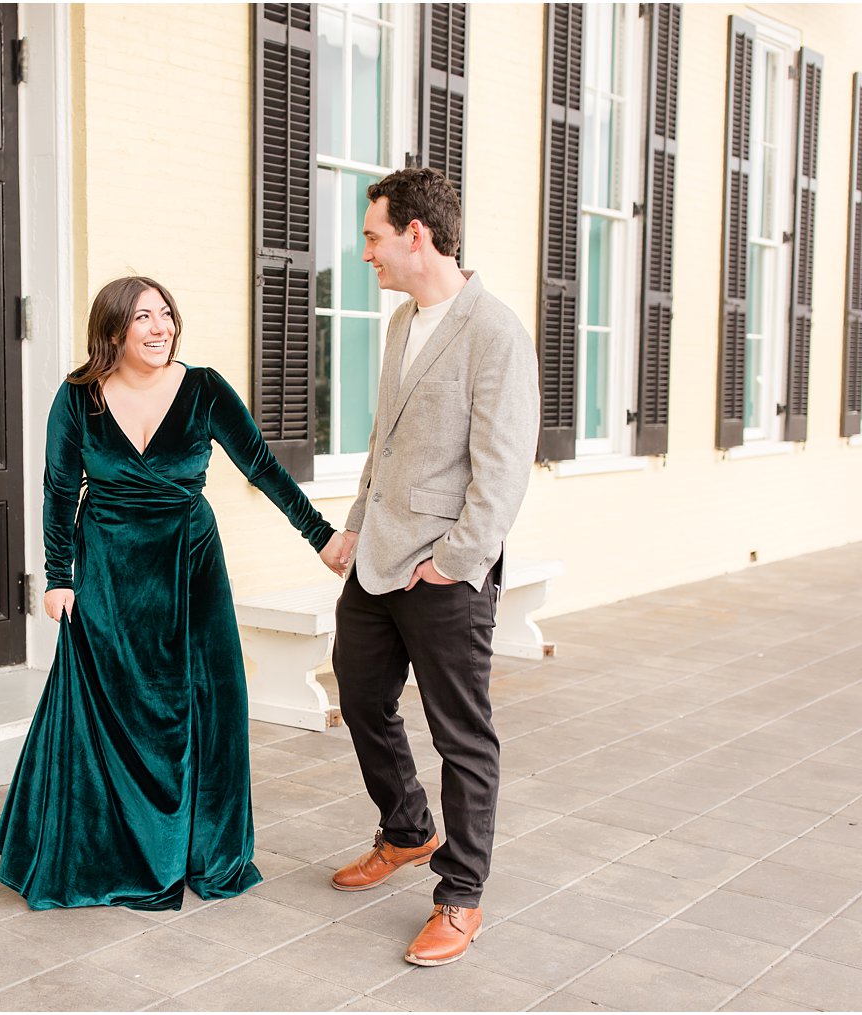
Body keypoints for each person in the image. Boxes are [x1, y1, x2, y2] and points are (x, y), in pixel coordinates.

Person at [0, 276, 347, 911]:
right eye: (144, 318)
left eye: (167, 316)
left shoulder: (204, 389)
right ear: (113, 331)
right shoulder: (79, 398)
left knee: (209, 700)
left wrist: (319, 535)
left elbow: (261, 464)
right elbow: (56, 487)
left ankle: (200, 848)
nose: (161, 329)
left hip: (190, 564)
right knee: (113, 708)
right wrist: (59, 576)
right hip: (108, 567)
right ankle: (115, 850)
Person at [323, 167, 539, 966]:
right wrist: (353, 525)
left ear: (417, 234)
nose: (365, 253)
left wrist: (454, 564)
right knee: (359, 691)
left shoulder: (496, 333)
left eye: (374, 236)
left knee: (463, 735)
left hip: (445, 575)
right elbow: (386, 442)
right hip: (375, 562)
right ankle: (408, 828)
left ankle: (460, 895)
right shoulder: (402, 323)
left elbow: (503, 469)